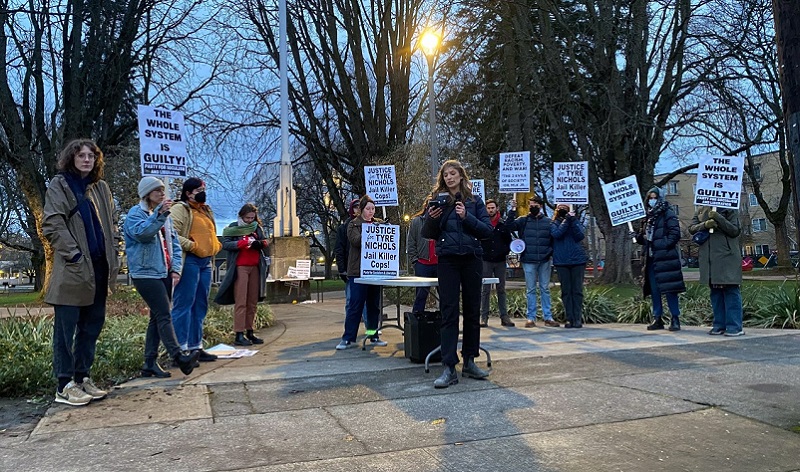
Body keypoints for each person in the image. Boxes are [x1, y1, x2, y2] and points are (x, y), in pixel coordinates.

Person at [42, 139, 120, 406]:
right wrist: (74, 254)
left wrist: (115, 248)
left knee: (91, 327)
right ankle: (64, 385)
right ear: (71, 158)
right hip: (73, 270)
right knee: (66, 331)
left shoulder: (101, 188)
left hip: (100, 269)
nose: (87, 159)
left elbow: (112, 222)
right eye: (81, 155)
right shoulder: (60, 184)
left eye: (91, 155)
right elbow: (52, 222)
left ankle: (82, 376)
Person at [422, 160, 493, 388]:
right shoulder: (437, 201)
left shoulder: (474, 201)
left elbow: (487, 231)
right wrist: (432, 217)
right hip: (448, 261)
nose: (449, 178)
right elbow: (427, 234)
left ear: (461, 176)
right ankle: (449, 367)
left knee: (472, 311)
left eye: (453, 174)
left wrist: (467, 217)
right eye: (445, 175)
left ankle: (470, 361)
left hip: (472, 258)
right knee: (449, 311)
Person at [123, 177, 199, 377]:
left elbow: (173, 243)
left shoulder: (165, 216)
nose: (161, 193)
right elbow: (143, 233)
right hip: (144, 273)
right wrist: (159, 214)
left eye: (162, 190)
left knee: (156, 318)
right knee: (164, 313)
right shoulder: (135, 214)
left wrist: (176, 269)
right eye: (156, 190)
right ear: (146, 194)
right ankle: (179, 356)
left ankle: (149, 363)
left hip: (164, 271)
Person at [170, 178, 222, 362]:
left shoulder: (205, 210)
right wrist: (192, 246)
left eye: (204, 188)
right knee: (184, 303)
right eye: (198, 189)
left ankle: (196, 347)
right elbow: (172, 234)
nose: (202, 192)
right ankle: (180, 349)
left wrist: (214, 245)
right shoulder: (179, 209)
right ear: (188, 192)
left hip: (206, 262)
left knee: (200, 305)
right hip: (189, 261)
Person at [214, 203, 270, 346]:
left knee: (252, 301)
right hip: (240, 267)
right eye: (247, 218)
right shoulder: (233, 227)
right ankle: (239, 333)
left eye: (252, 217)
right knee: (241, 301)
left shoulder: (257, 228)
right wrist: (240, 244)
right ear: (241, 216)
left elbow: (264, 241)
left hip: (255, 266)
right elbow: (225, 244)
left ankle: (250, 331)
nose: (250, 220)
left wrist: (260, 244)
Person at [336, 195, 388, 350]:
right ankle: (348, 338)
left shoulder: (380, 224)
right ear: (362, 210)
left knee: (373, 306)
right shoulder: (353, 224)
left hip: (375, 271)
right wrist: (372, 233)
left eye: (373, 209)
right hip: (358, 271)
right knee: (355, 305)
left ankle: (373, 335)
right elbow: (355, 241)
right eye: (368, 209)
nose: (371, 212)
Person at [633, 187, 686, 331]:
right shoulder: (647, 217)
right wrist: (639, 238)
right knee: (654, 290)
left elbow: (674, 234)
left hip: (665, 257)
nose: (652, 200)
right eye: (649, 198)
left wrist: (660, 244)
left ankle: (675, 318)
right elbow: (645, 238)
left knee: (670, 289)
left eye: (654, 197)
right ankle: (658, 317)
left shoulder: (667, 213)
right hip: (650, 258)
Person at [689, 206, 744, 336]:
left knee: (730, 290)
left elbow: (734, 230)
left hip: (726, 255)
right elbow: (691, 228)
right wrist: (705, 224)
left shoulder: (730, 208)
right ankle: (719, 324)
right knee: (715, 292)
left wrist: (718, 218)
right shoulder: (701, 210)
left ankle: (734, 326)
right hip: (709, 257)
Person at [506, 196, 559, 328]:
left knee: (545, 289)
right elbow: (509, 226)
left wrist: (550, 253)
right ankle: (531, 318)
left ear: (540, 206)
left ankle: (548, 317)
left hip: (544, 259)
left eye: (535, 204)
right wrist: (512, 210)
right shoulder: (523, 220)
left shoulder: (548, 222)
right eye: (530, 204)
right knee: (530, 289)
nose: (532, 206)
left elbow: (553, 239)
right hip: (529, 259)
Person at [479, 198, 515, 327]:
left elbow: (508, 242)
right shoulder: (482, 224)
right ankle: (484, 317)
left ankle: (504, 317)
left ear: (497, 209)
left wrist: (503, 251)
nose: (490, 210)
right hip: (486, 261)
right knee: (485, 290)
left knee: (501, 289)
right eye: (488, 208)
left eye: (492, 207)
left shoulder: (502, 225)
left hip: (500, 261)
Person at [551, 204, 588, 328]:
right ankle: (569, 318)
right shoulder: (553, 224)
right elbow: (557, 234)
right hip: (562, 261)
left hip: (577, 261)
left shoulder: (575, 222)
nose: (563, 210)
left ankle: (577, 318)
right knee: (566, 291)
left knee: (577, 291)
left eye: (565, 208)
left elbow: (580, 235)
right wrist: (566, 221)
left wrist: (572, 221)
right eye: (560, 208)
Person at [335, 199, 367, 322]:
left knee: (365, 300)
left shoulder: (369, 225)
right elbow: (339, 249)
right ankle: (351, 323)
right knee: (351, 299)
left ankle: (369, 327)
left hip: (365, 267)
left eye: (360, 207)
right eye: (355, 207)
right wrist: (342, 269)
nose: (358, 210)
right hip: (351, 269)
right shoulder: (344, 228)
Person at [407, 198, 438, 313]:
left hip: (441, 264)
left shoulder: (443, 220)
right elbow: (411, 243)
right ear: (426, 207)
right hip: (423, 263)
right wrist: (415, 262)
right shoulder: (416, 222)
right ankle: (416, 321)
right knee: (420, 296)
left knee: (445, 296)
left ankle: (446, 324)